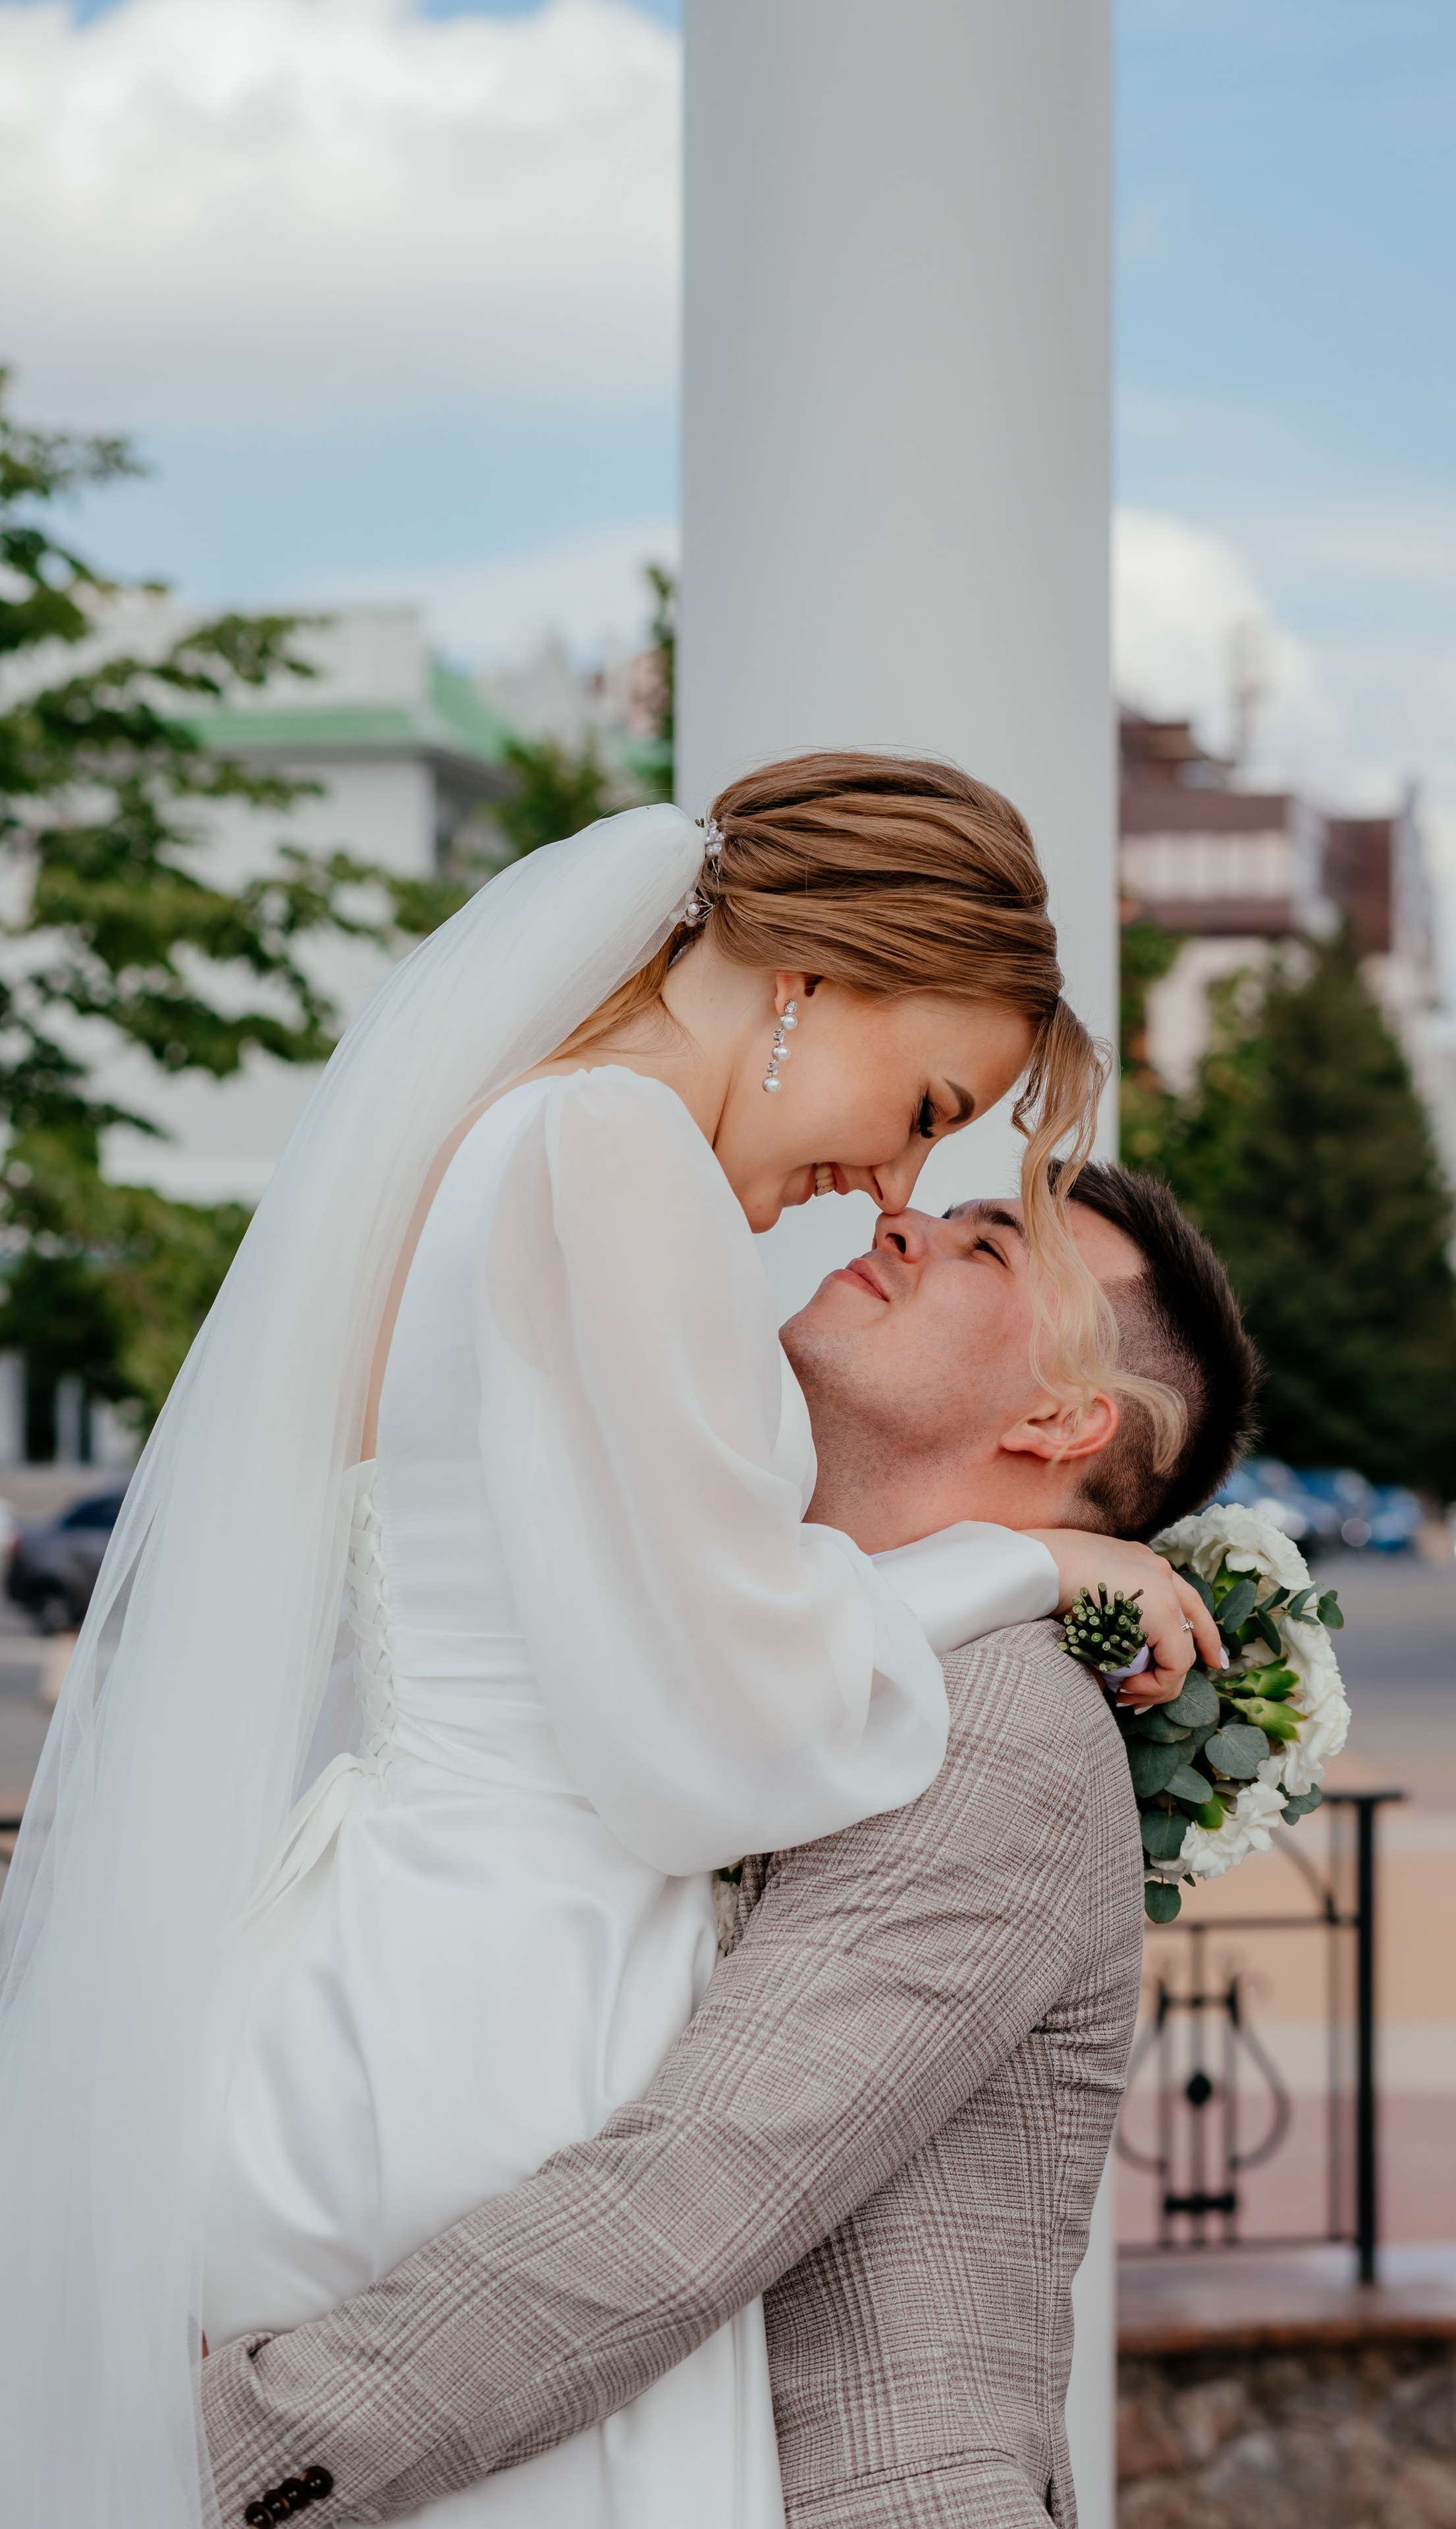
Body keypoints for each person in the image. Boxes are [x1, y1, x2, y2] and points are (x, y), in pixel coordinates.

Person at [0, 755, 1221, 2529]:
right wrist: (1019, 1575)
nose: (886, 1172)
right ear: (820, 974)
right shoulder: (607, 1148)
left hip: (416, 1950)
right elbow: (717, 1732)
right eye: (928, 1099)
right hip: (501, 1992)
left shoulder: (541, 1139)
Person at [199, 1162, 1259, 2529]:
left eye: (986, 1251)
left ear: (1063, 1418)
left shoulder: (998, 1721)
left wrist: (204, 2456)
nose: (900, 1221)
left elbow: (680, 2208)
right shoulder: (740, 1657)